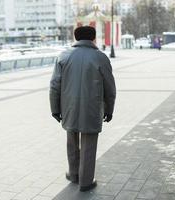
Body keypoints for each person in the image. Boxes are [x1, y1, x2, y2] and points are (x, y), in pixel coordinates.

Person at [49, 26, 116, 192]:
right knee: (89, 145)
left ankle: (73, 174)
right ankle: (85, 181)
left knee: (71, 142)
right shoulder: (100, 58)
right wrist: (109, 109)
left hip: (69, 108)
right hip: (92, 109)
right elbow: (110, 88)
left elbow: (54, 85)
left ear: (76, 37)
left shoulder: (63, 56)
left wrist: (55, 109)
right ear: (93, 38)